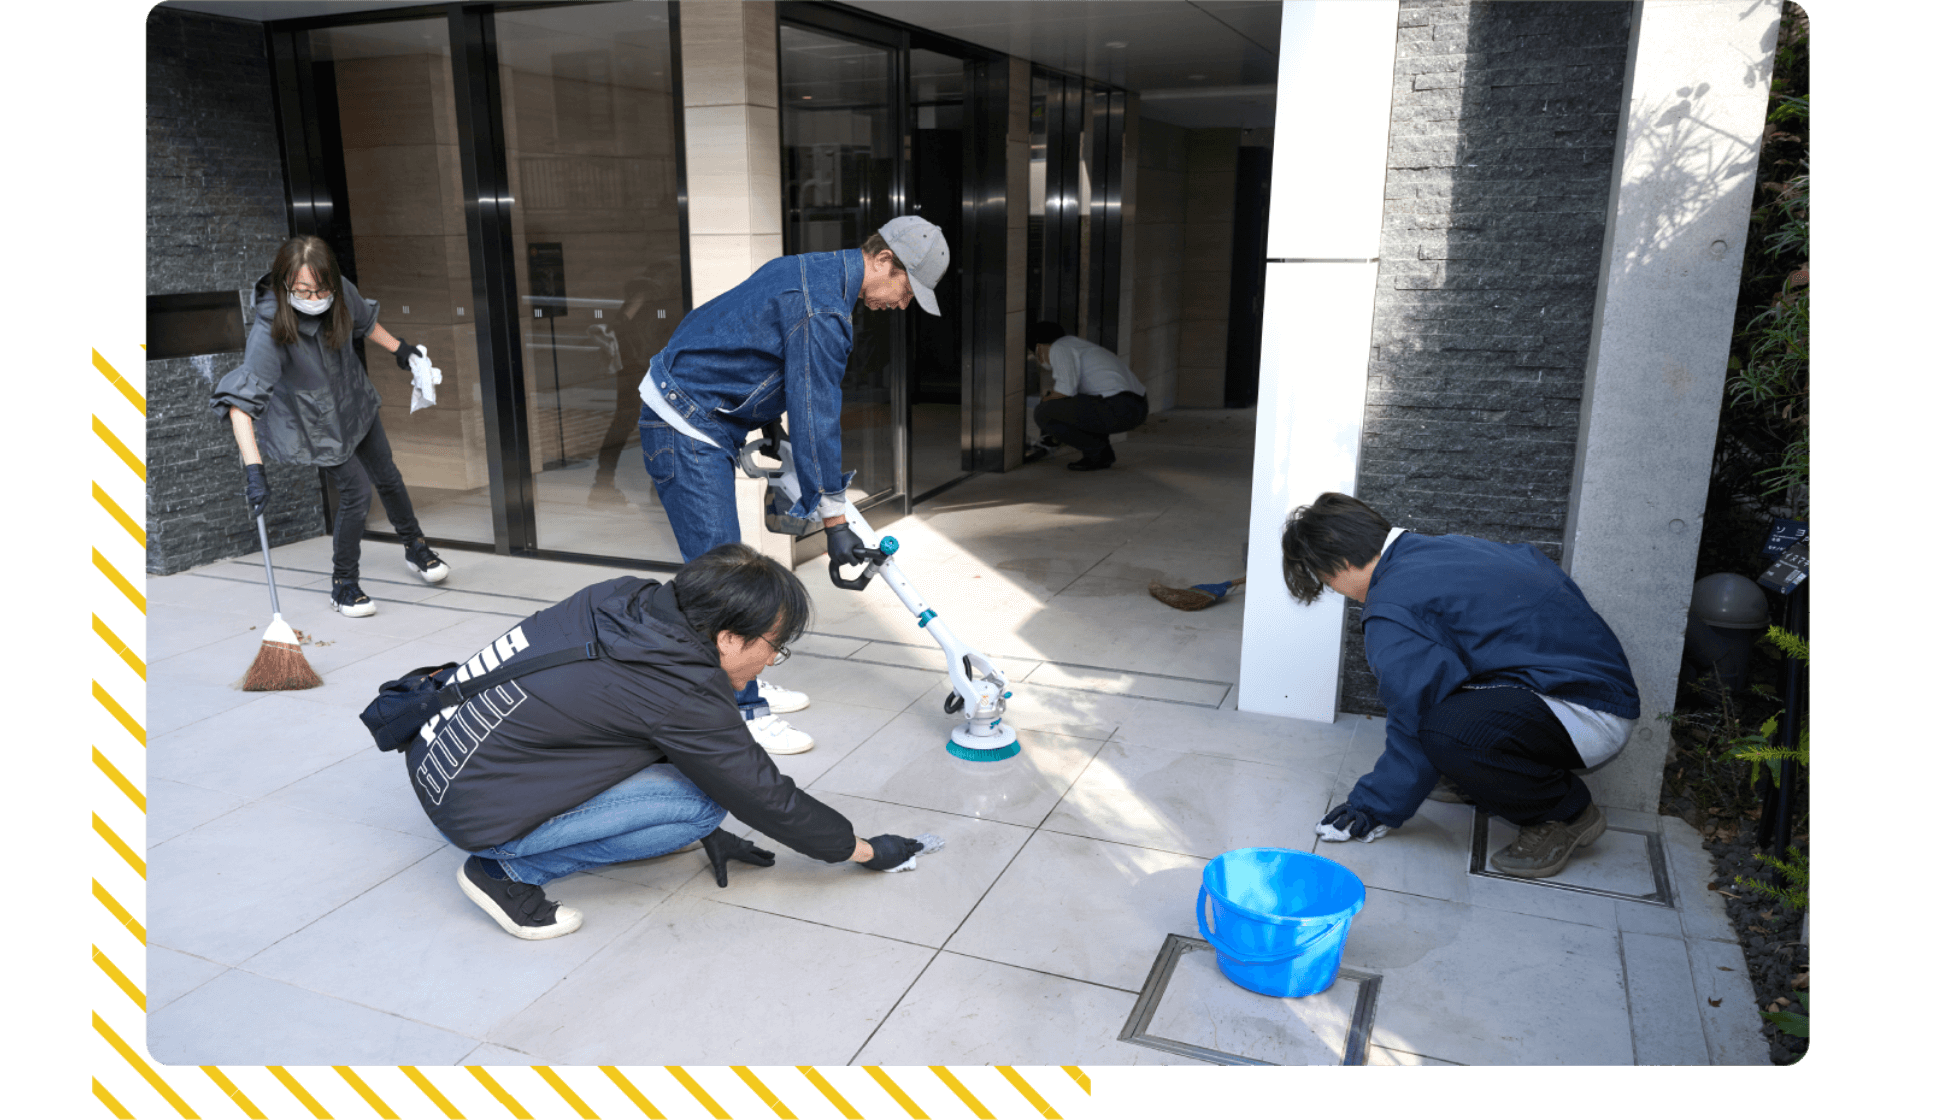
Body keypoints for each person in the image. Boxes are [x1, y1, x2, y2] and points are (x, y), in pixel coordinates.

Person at [406, 543, 934, 940]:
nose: (773, 660)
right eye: (774, 645)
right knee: (701, 807)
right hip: (477, 811)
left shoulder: (621, 596)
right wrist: (862, 850)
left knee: (696, 790)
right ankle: (506, 869)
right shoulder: (682, 688)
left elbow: (634, 716)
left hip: (440, 756)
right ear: (729, 637)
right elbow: (762, 794)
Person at [638, 216, 951, 754]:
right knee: (721, 581)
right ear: (883, 260)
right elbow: (815, 414)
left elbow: (740, 341)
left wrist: (765, 422)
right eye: (906, 289)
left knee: (729, 571)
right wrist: (834, 520)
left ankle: (744, 682)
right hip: (685, 427)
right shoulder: (823, 310)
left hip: (691, 412)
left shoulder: (807, 270)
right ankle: (739, 710)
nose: (903, 304)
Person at [1283, 493, 1640, 879]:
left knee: (1444, 731)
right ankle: (1476, 774)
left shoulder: (1392, 606)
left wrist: (1374, 806)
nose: (1334, 590)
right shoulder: (1440, 549)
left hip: (1586, 713)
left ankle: (1565, 814)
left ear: (1341, 563)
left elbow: (1413, 715)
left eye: (1326, 580)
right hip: (1596, 687)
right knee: (1447, 713)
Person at [211, 235, 449, 617]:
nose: (314, 297)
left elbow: (366, 322)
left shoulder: (339, 292)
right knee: (357, 492)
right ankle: (344, 584)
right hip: (316, 421)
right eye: (304, 290)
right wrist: (254, 470)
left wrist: (402, 350)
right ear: (286, 283)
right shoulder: (270, 328)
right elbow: (241, 404)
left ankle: (415, 546)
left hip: (353, 399)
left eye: (321, 289)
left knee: (387, 475)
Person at [1026, 320, 1149, 472]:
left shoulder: (1059, 348)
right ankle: (1101, 455)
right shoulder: (1076, 344)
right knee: (1071, 407)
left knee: (1044, 412)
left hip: (1119, 407)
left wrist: (1046, 399)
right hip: (1136, 407)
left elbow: (1065, 390)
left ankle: (1096, 453)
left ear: (1038, 346)